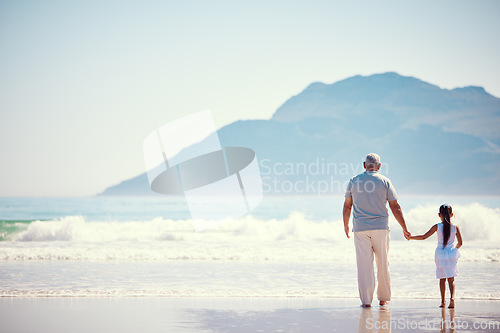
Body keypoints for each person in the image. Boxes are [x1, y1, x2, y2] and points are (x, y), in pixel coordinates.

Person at [343, 153, 411, 307]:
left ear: (364, 165)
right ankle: (383, 298)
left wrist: (346, 225)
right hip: (380, 228)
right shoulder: (385, 181)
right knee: (383, 263)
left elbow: (347, 205)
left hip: (360, 228)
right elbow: (395, 206)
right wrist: (404, 228)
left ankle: (366, 301)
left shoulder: (354, 181)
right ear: (379, 166)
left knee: (364, 265)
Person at [409, 203, 463, 308]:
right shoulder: (455, 227)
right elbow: (460, 243)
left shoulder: (437, 226)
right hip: (451, 253)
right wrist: (453, 250)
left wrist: (411, 237)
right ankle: (452, 298)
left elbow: (424, 237)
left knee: (442, 278)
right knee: (451, 279)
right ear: (451, 215)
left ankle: (443, 301)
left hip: (440, 254)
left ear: (439, 215)